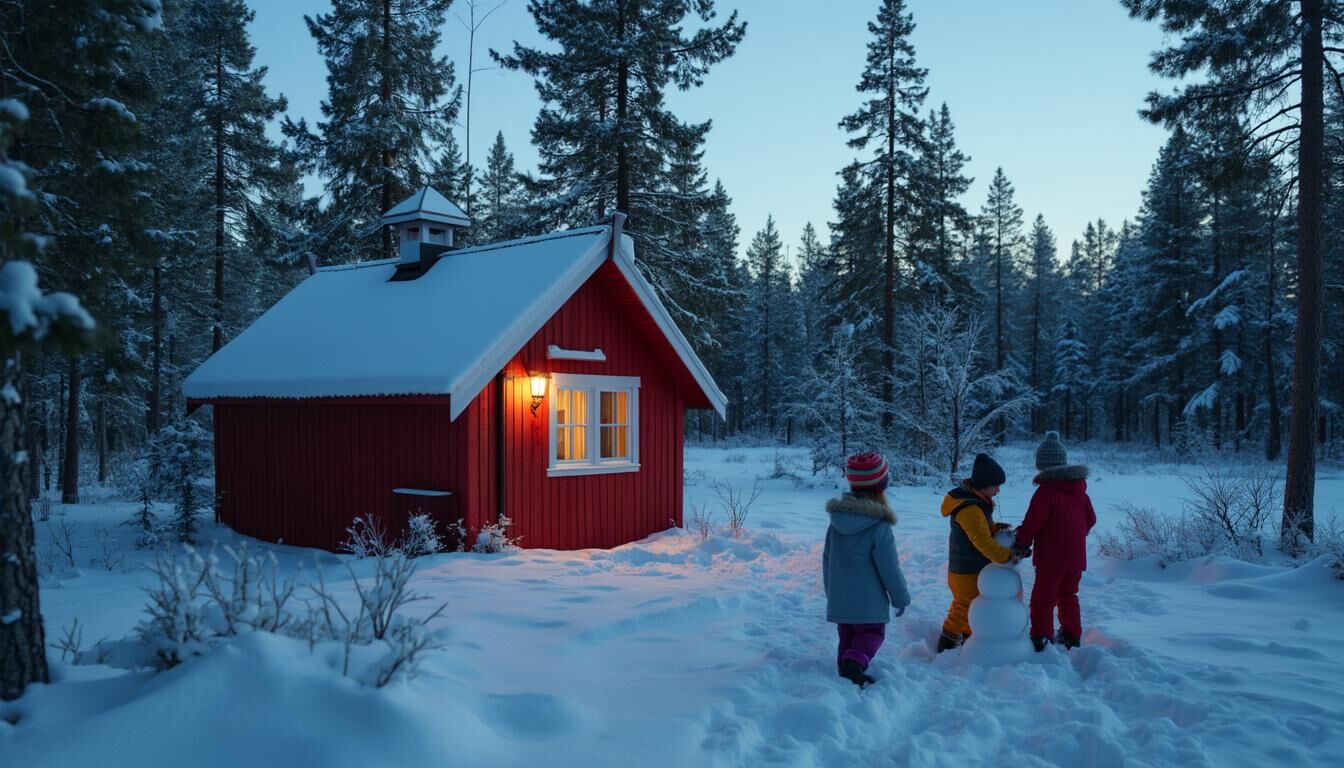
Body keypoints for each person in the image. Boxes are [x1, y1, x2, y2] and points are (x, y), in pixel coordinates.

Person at [823, 452, 911, 688]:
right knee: (872, 634)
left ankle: (844, 665)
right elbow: (889, 568)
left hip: (841, 597)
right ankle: (853, 665)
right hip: (868, 603)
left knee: (848, 634)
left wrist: (831, 592)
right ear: (882, 487)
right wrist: (900, 597)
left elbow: (827, 560)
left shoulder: (837, 522)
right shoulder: (879, 527)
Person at [1013, 431, 1097, 651]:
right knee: (1068, 595)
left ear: (1042, 464)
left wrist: (1021, 542)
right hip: (1076, 558)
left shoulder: (1046, 492)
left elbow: (1033, 522)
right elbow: (1091, 519)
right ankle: (1071, 635)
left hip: (1051, 559)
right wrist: (1074, 537)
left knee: (1043, 599)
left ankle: (1041, 638)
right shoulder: (1081, 491)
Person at [937, 453, 1015, 654]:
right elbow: (981, 541)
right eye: (996, 485)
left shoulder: (977, 503)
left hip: (972, 568)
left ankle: (969, 638)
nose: (999, 489)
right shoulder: (970, 509)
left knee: (972, 606)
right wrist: (1007, 556)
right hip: (965, 570)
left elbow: (982, 530)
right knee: (963, 607)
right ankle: (946, 642)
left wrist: (997, 527)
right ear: (983, 484)